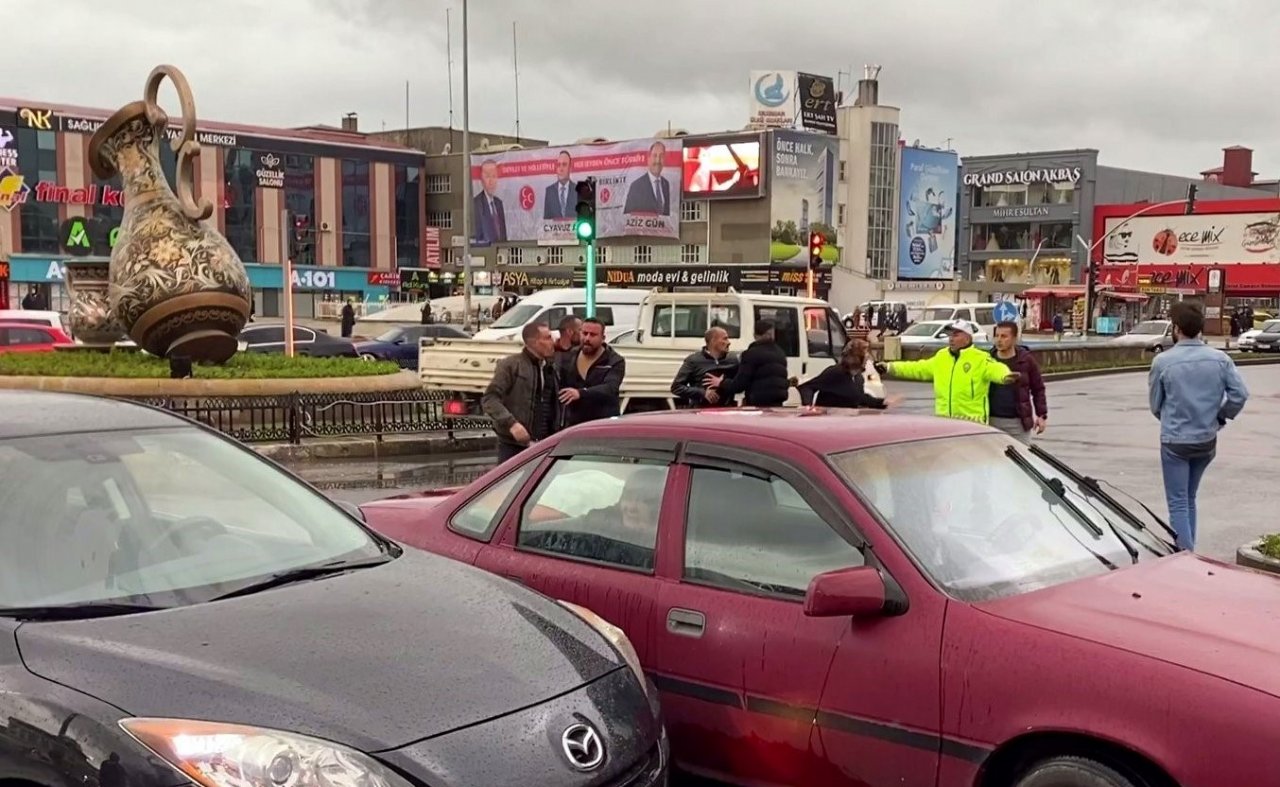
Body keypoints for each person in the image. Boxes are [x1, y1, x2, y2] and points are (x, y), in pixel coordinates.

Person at [1148, 301, 1249, 551]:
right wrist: (1220, 417)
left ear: (1176, 328)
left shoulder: (1163, 362)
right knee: (1189, 498)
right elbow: (1240, 394)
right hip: (1206, 440)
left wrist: (1172, 419)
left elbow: (1155, 405)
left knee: (1178, 502)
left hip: (1175, 441)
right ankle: (1190, 549)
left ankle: (1186, 556)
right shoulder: (1220, 359)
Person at [878, 320, 1017, 424]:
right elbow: (917, 368)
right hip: (945, 423)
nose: (951, 338)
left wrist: (1005, 376)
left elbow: (995, 368)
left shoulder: (980, 358)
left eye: (956, 335)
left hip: (972, 424)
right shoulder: (942, 357)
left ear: (967, 338)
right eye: (950, 335)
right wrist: (890, 367)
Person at [481, 322, 560, 463]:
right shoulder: (511, 365)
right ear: (534, 342)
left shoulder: (550, 367)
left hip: (545, 443)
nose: (552, 341)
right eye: (547, 338)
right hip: (514, 445)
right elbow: (490, 399)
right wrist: (512, 424)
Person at [704, 319, 790, 408]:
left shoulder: (752, 354)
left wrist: (721, 382)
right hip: (778, 404)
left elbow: (739, 385)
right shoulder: (781, 354)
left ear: (755, 335)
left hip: (758, 404)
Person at [988, 321, 1048, 444]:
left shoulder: (1026, 360)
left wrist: (1041, 415)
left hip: (1018, 422)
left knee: (1022, 459)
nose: (999, 340)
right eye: (997, 335)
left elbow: (1038, 389)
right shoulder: (988, 360)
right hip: (991, 421)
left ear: (1015, 338)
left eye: (1004, 336)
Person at [559, 317, 626, 427]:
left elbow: (610, 388)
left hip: (603, 424)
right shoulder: (570, 357)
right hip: (574, 425)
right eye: (584, 333)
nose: (587, 338)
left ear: (603, 338)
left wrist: (581, 393)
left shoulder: (614, 360)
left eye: (593, 335)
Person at [798, 338, 888, 409]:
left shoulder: (858, 378)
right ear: (857, 358)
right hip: (828, 421)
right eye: (865, 356)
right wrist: (808, 407)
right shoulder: (835, 373)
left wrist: (882, 403)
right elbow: (807, 387)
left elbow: (860, 398)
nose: (868, 359)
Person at [670, 326, 737, 408]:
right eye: (725, 339)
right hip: (701, 411)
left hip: (726, 410)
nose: (728, 342)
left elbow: (741, 383)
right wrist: (702, 393)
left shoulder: (733, 359)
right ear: (713, 341)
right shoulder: (694, 360)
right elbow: (676, 387)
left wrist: (723, 383)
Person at [623, 141, 672, 216]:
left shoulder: (666, 184)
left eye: (661, 156)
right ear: (648, 159)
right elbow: (627, 216)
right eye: (655, 156)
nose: (658, 160)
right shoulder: (636, 186)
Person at [472, 159, 508, 244]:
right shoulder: (476, 204)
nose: (491, 181)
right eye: (487, 176)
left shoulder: (499, 203)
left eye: (494, 176)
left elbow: (503, 234)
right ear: (481, 179)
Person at [543, 151, 578, 220]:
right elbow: (547, 220)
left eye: (564, 165)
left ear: (570, 168)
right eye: (558, 165)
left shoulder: (577, 190)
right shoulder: (549, 191)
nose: (561, 169)